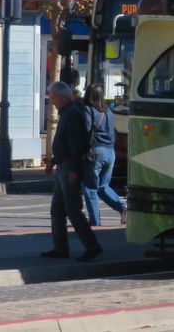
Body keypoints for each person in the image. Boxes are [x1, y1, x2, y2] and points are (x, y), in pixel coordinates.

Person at [42, 81, 102, 262]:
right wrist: (53, 161)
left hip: (70, 167)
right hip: (63, 165)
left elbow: (76, 144)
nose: (52, 102)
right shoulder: (67, 113)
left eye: (53, 98)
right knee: (57, 211)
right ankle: (60, 248)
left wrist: (75, 170)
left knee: (73, 210)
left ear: (63, 96)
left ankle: (92, 246)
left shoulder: (72, 114)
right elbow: (66, 143)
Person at [82, 84, 127, 226]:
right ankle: (123, 208)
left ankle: (95, 222)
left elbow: (86, 130)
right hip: (110, 152)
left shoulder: (88, 110)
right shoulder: (109, 112)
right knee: (103, 186)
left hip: (97, 151)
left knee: (90, 188)